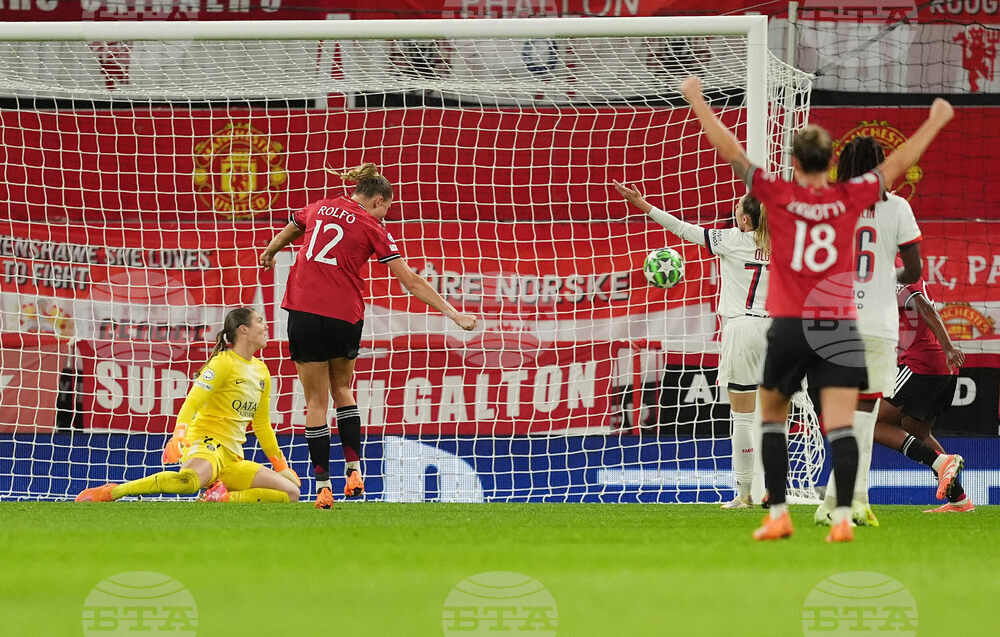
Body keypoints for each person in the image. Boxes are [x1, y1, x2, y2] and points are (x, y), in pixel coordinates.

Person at [678, 74, 954, 542]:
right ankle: (844, 516)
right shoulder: (852, 198)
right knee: (846, 423)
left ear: (791, 162)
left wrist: (699, 102)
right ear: (831, 163)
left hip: (790, 324)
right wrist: (935, 121)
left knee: (770, 417)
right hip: (840, 326)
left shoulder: (778, 195)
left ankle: (778, 513)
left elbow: (729, 151)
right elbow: (901, 162)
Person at [260, 162, 477, 509]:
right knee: (342, 389)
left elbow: (293, 227)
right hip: (343, 315)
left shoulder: (320, 206)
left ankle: (323, 487)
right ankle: (354, 470)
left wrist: (271, 251)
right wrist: (454, 314)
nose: (385, 215)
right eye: (387, 208)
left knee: (315, 402)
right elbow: (410, 281)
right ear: (378, 200)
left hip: (302, 310)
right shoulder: (372, 226)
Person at [614, 184, 771, 510]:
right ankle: (776, 489)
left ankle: (744, 495)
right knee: (775, 416)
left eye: (737, 207)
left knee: (742, 418)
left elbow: (682, 229)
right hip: (777, 330)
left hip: (742, 329)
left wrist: (643, 204)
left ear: (743, 218)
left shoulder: (731, 239)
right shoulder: (781, 245)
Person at [76, 308, 301, 504]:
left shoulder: (262, 370)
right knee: (188, 482)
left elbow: (261, 425)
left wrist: (280, 465)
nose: (266, 326)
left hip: (233, 458)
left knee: (291, 493)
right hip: (207, 444)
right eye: (260, 321)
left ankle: (222, 498)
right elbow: (192, 402)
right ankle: (113, 492)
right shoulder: (223, 362)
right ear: (243, 330)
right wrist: (179, 434)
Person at [813, 136, 923, 528]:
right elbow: (915, 272)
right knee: (864, 415)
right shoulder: (897, 207)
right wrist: (884, 275)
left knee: (851, 418)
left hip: (834, 324)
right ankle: (842, 501)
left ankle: (846, 501)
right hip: (876, 326)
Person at [874, 271, 968, 512]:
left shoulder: (895, 272)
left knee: (871, 424)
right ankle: (958, 500)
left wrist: (948, 348)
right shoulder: (896, 272)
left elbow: (924, 306)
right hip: (939, 367)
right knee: (916, 430)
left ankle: (941, 461)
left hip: (922, 364)